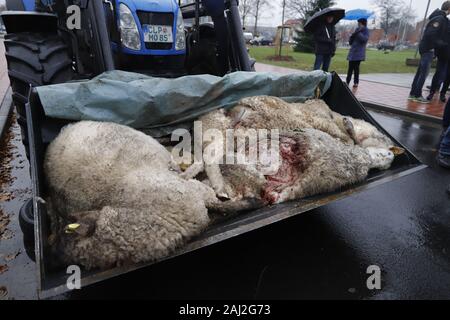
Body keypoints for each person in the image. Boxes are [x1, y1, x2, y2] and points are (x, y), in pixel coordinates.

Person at [409, 2, 450, 103]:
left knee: (420, 72)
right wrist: (441, 44)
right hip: (429, 49)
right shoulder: (440, 19)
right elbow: (430, 34)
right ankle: (417, 95)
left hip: (428, 48)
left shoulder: (440, 17)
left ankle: (413, 93)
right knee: (423, 73)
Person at [346, 18, 370, 88]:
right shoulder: (357, 30)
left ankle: (356, 82)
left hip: (359, 53)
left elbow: (364, 39)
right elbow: (351, 42)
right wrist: (351, 36)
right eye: (358, 23)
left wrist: (358, 33)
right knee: (350, 68)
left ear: (363, 23)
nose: (358, 24)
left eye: (359, 23)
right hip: (353, 52)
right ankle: (347, 81)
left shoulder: (366, 30)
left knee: (356, 68)